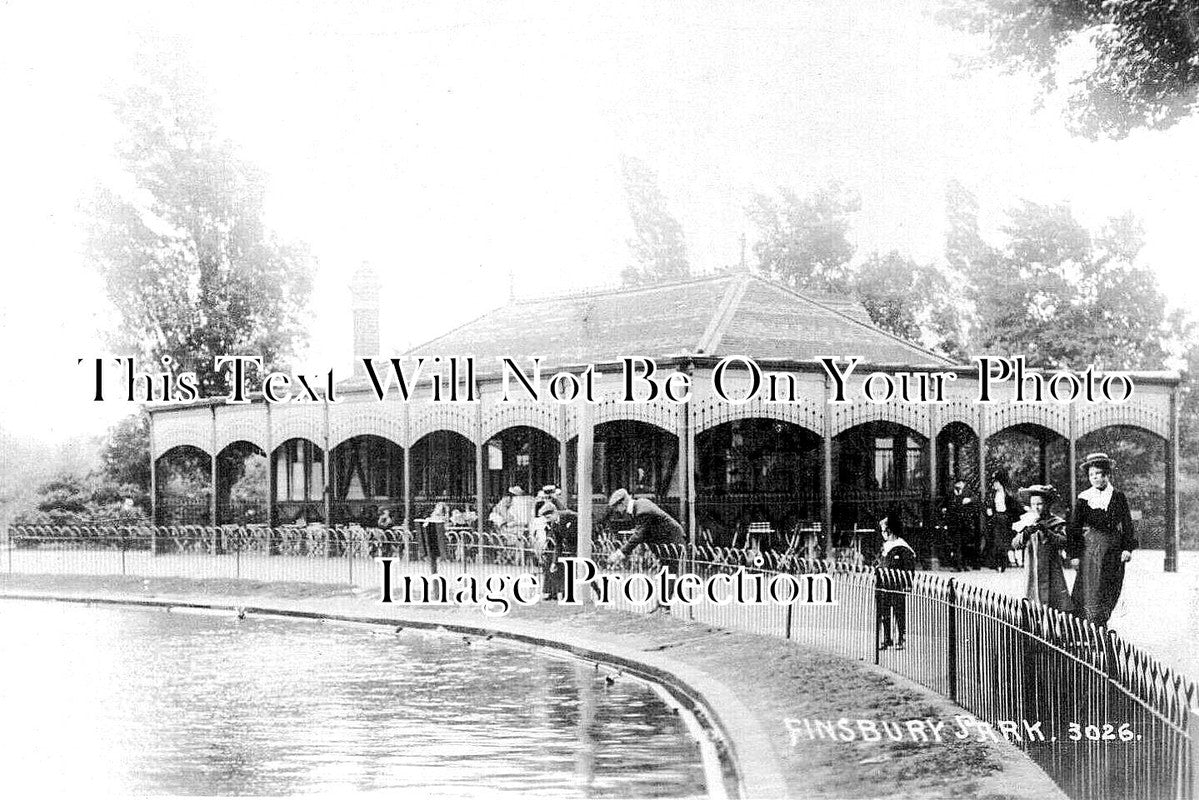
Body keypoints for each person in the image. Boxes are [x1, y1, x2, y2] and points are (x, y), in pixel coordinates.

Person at [1068, 453, 1137, 628]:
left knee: (1111, 586)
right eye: (1092, 475)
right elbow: (1074, 528)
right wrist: (1074, 554)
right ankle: (1089, 626)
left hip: (1113, 548)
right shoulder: (1084, 498)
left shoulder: (1118, 496)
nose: (1096, 478)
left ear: (1107, 474)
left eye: (1099, 473)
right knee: (1091, 587)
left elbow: (1127, 524)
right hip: (1091, 549)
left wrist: (1127, 548)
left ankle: (1101, 622)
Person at [1011, 485, 1074, 613]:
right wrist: (1026, 532)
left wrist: (1046, 531)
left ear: (1047, 504)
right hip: (1033, 567)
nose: (1036, 507)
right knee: (1033, 599)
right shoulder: (1027, 521)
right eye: (1033, 504)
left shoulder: (1055, 522)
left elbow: (1063, 541)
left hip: (1051, 567)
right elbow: (1015, 544)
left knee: (1054, 600)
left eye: (1040, 504)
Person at [604, 488, 686, 572]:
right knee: (667, 574)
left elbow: (639, 535)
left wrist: (620, 553)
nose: (617, 511)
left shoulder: (642, 511)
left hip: (672, 542)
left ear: (622, 503)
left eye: (616, 507)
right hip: (666, 543)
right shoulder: (640, 504)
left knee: (671, 573)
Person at [875, 508, 916, 650]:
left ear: (890, 531)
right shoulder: (885, 546)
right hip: (884, 584)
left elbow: (909, 568)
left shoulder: (903, 548)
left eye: (883, 530)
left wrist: (908, 584)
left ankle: (901, 637)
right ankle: (887, 638)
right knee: (884, 612)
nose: (882, 534)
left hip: (896, 585)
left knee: (899, 612)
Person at [538, 501, 578, 599]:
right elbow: (558, 544)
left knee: (583, 569)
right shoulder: (554, 524)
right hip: (570, 548)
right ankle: (563, 593)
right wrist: (554, 562)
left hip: (580, 545)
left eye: (549, 517)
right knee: (564, 569)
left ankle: (598, 591)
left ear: (555, 512)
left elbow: (575, 533)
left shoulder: (570, 516)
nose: (548, 520)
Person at [984, 468, 1020, 572]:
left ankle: (1003, 563)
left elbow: (1014, 507)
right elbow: (987, 504)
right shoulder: (992, 495)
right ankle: (996, 563)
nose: (994, 485)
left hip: (1005, 519)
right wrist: (988, 510)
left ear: (1001, 483)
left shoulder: (1007, 494)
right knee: (996, 541)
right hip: (996, 518)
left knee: (1003, 542)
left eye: (996, 483)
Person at [940, 475, 978, 570]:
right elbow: (944, 504)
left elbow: (976, 499)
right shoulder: (950, 494)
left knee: (964, 544)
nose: (959, 485)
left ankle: (964, 564)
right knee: (956, 544)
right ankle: (957, 565)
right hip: (954, 522)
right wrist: (944, 510)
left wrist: (969, 500)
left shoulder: (968, 492)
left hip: (965, 522)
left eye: (961, 483)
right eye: (957, 483)